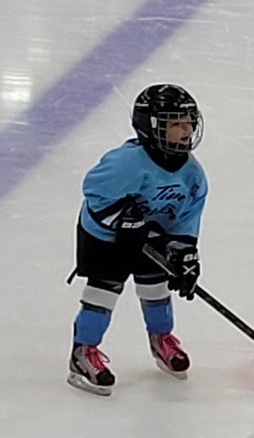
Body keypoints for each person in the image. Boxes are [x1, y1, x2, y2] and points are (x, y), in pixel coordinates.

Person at [68, 83, 208, 396]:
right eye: (176, 124)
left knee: (156, 287)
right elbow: (94, 193)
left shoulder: (193, 175)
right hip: (104, 236)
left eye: (189, 121)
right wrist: (122, 218)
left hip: (151, 234)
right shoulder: (125, 163)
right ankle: (83, 352)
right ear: (152, 127)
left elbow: (186, 218)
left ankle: (161, 339)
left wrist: (184, 255)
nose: (187, 130)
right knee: (103, 292)